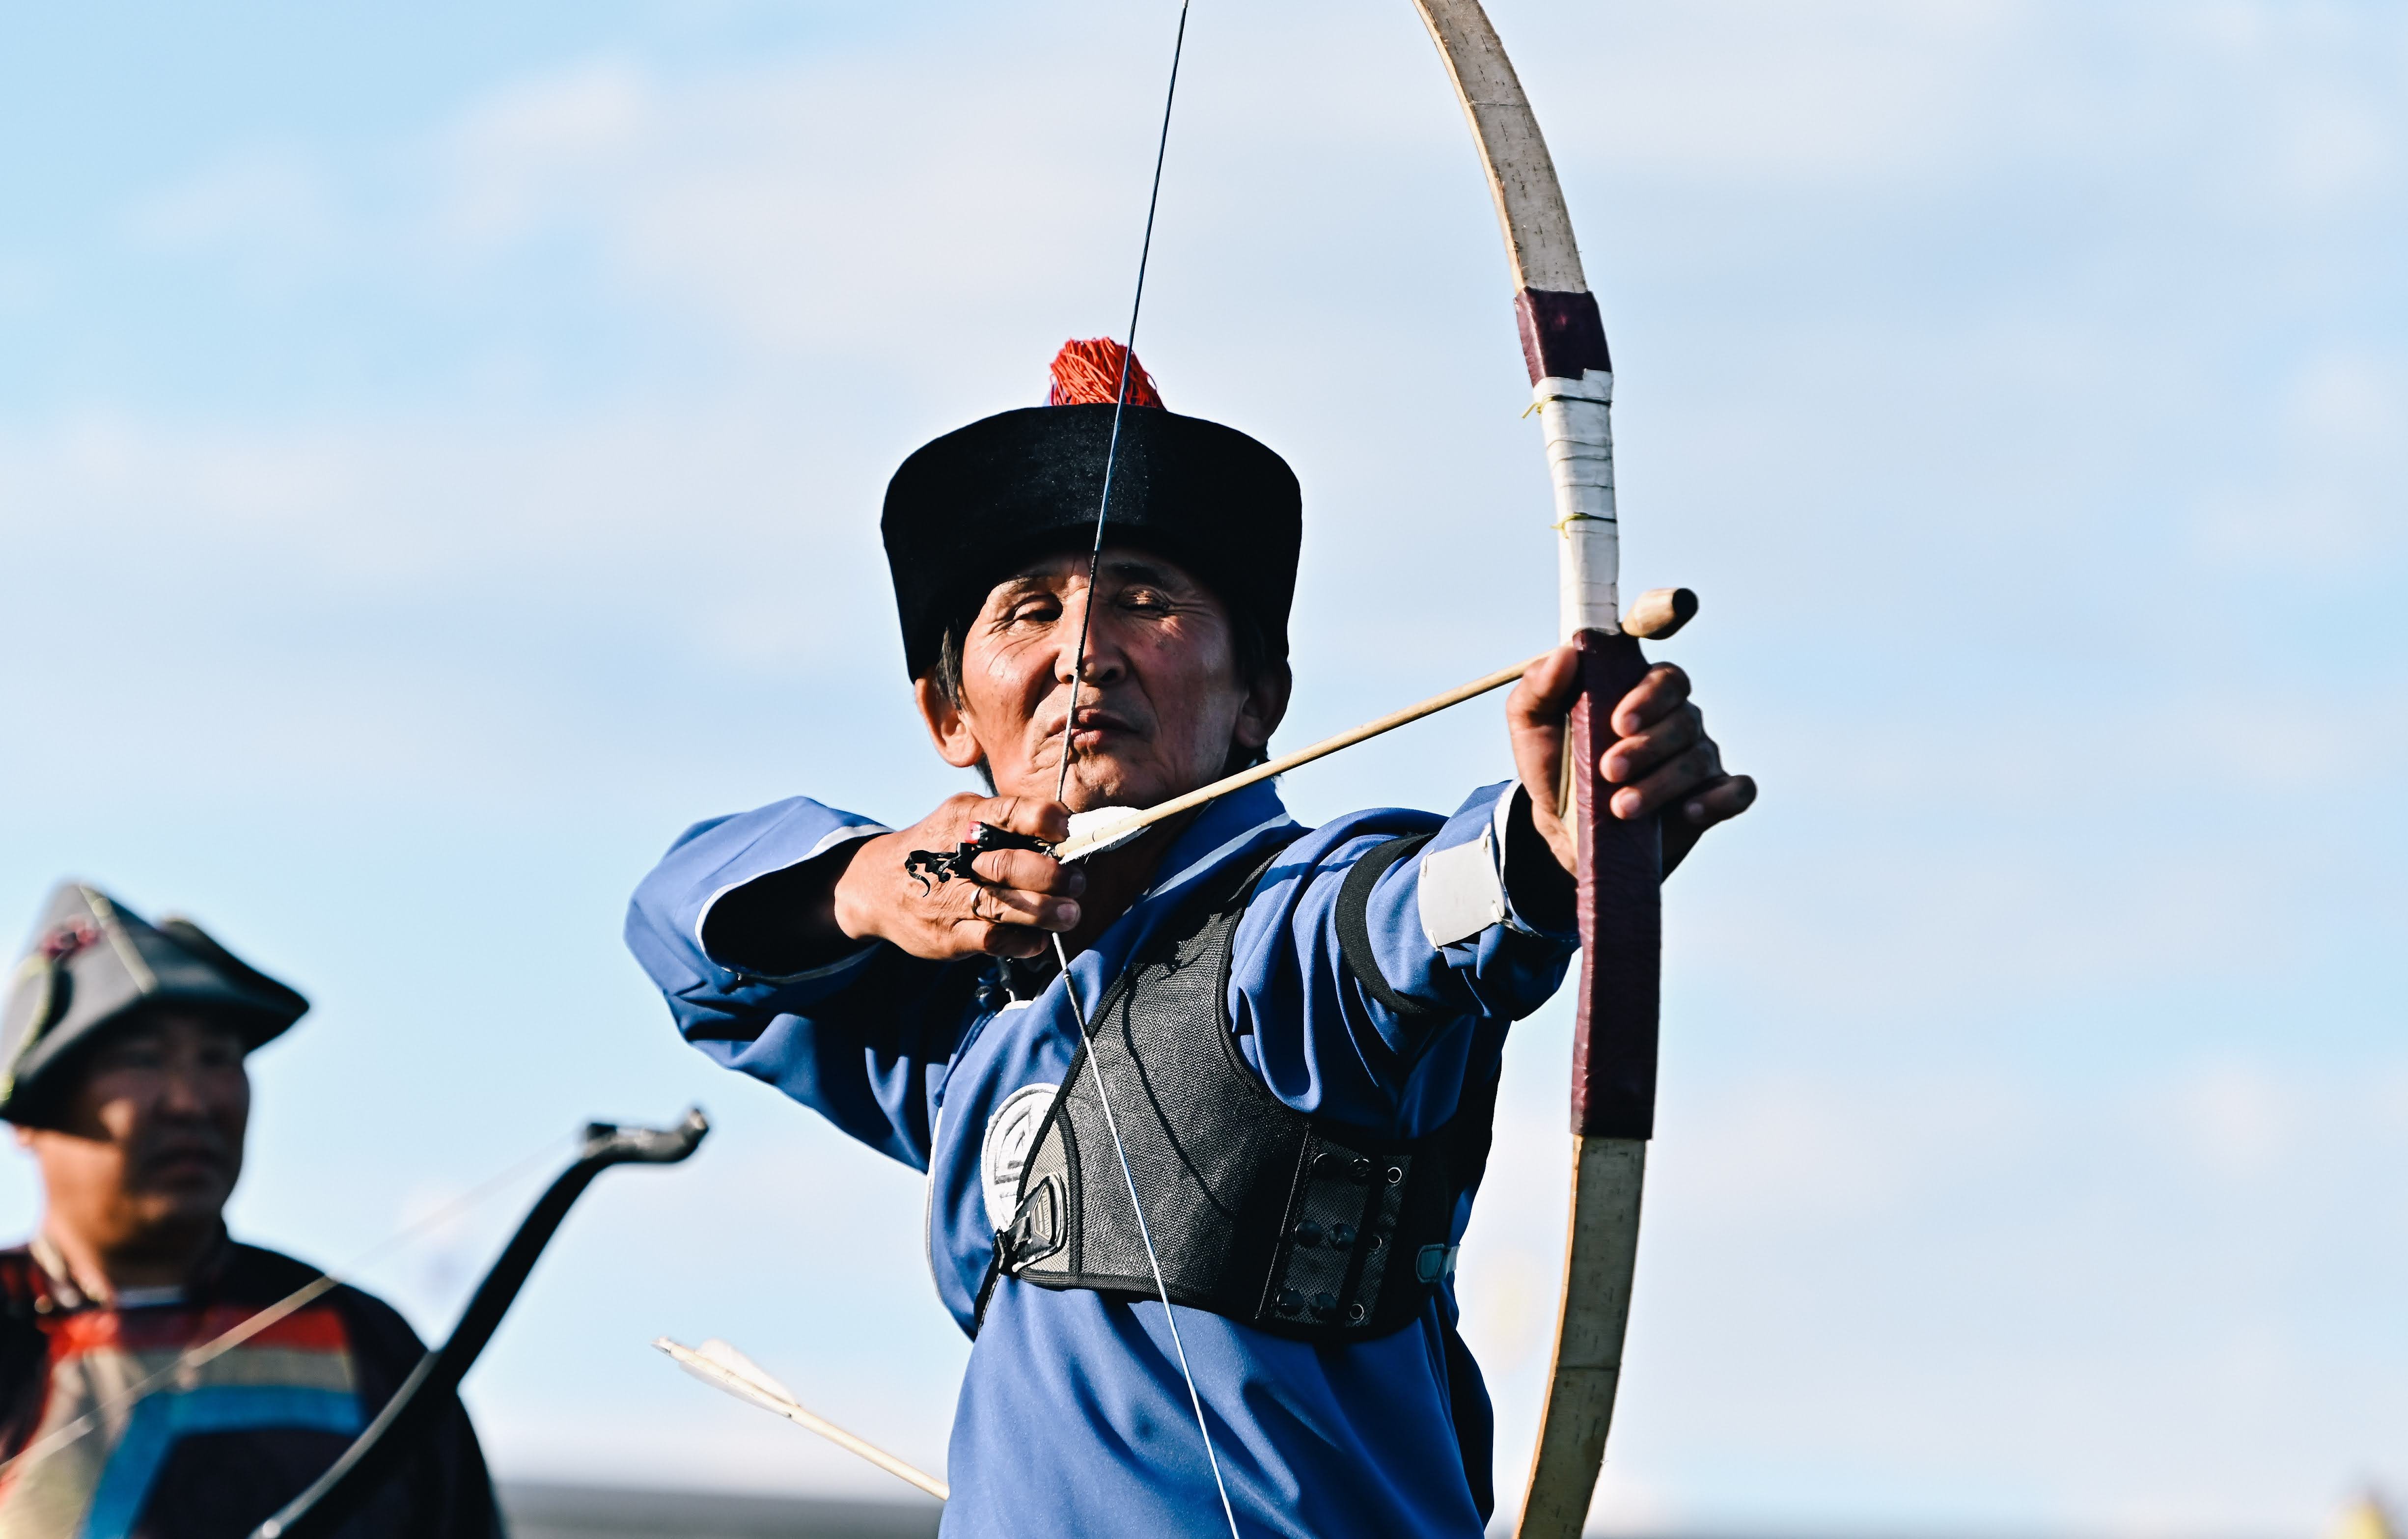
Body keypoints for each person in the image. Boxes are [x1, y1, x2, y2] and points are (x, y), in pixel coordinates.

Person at [625, 340, 1756, 1538]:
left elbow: (1426, 914)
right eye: (1029, 611)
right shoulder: (963, 1016)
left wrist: (1549, 846)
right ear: (948, 712)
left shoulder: (1292, 931)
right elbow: (680, 935)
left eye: (1147, 599)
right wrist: (862, 882)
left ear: (1258, 695)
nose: (1084, 649)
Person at [0, 881, 503, 1538]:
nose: (191, 1100)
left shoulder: (364, 1344)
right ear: (32, 1115)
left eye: (217, 1058)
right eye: (142, 1058)